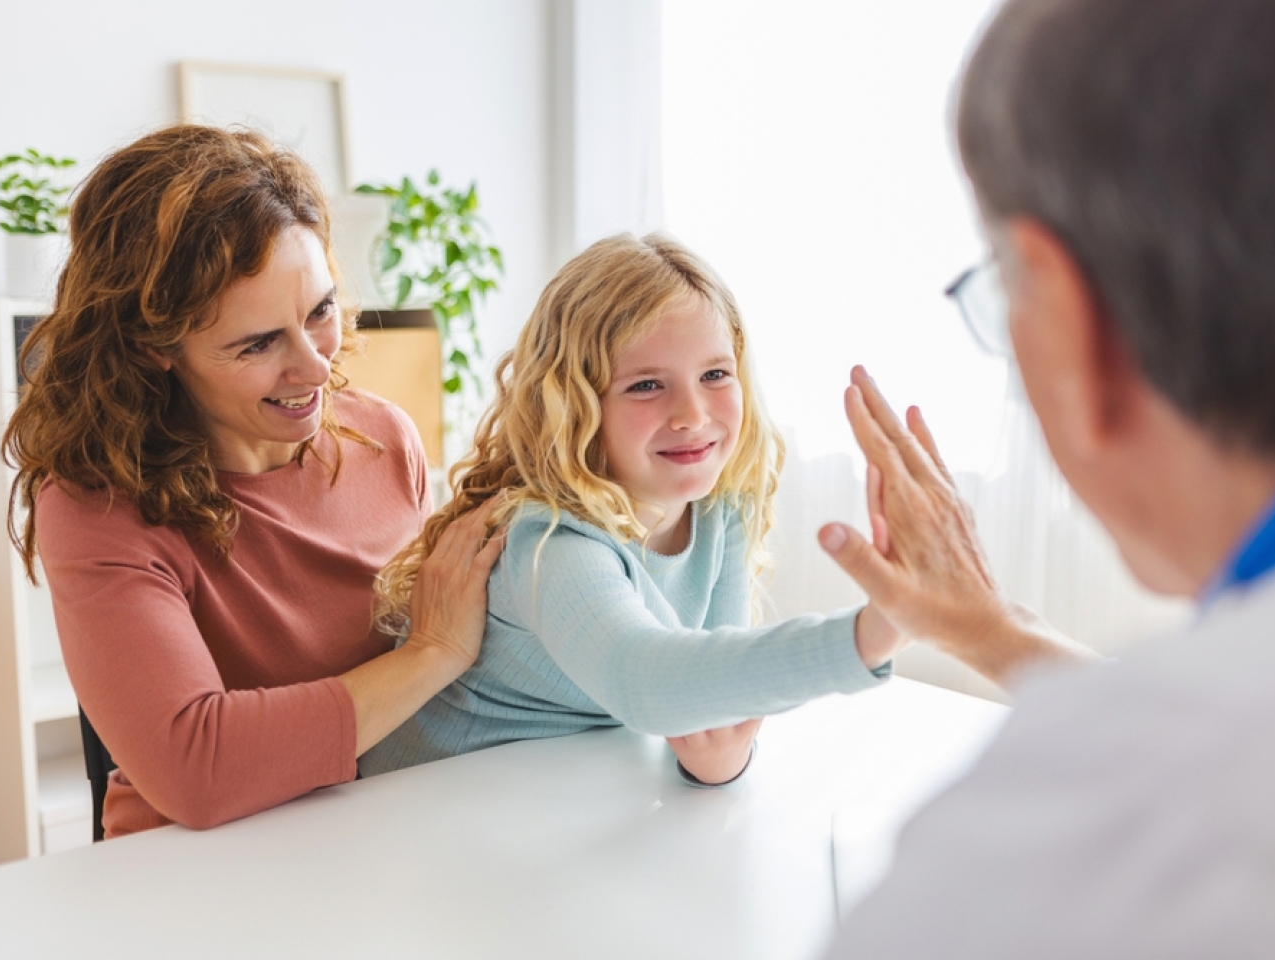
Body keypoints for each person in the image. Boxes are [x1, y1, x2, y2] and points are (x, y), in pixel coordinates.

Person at [813, 0, 1275, 954]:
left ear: (1068, 328)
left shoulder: (1075, 836)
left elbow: (1213, 745)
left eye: (1003, 292)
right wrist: (989, 631)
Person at [3, 125, 503, 838]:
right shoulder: (99, 505)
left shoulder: (386, 438)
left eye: (320, 311)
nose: (316, 368)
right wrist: (435, 652)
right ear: (155, 347)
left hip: (377, 835)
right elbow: (194, 770)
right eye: (259, 343)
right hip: (195, 872)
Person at [358, 233, 907, 784]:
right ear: (575, 408)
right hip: (421, 807)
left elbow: (709, 701)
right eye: (646, 385)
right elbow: (646, 679)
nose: (692, 414)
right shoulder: (549, 541)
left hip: (564, 796)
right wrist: (867, 635)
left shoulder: (719, 508)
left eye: (714, 375)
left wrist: (719, 762)